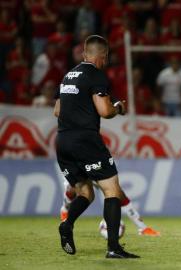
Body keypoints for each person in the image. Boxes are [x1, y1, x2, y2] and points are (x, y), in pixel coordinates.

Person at [54, 35, 139, 259]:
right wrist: (118, 107)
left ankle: (67, 224)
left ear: (84, 54)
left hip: (63, 141)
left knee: (85, 192)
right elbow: (104, 110)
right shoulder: (96, 75)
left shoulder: (67, 76)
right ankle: (113, 247)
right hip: (86, 141)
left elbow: (57, 111)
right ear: (103, 56)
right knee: (111, 190)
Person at [60, 179, 161, 236]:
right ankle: (65, 210)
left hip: (95, 167)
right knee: (73, 190)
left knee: (119, 194)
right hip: (79, 166)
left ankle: (143, 228)